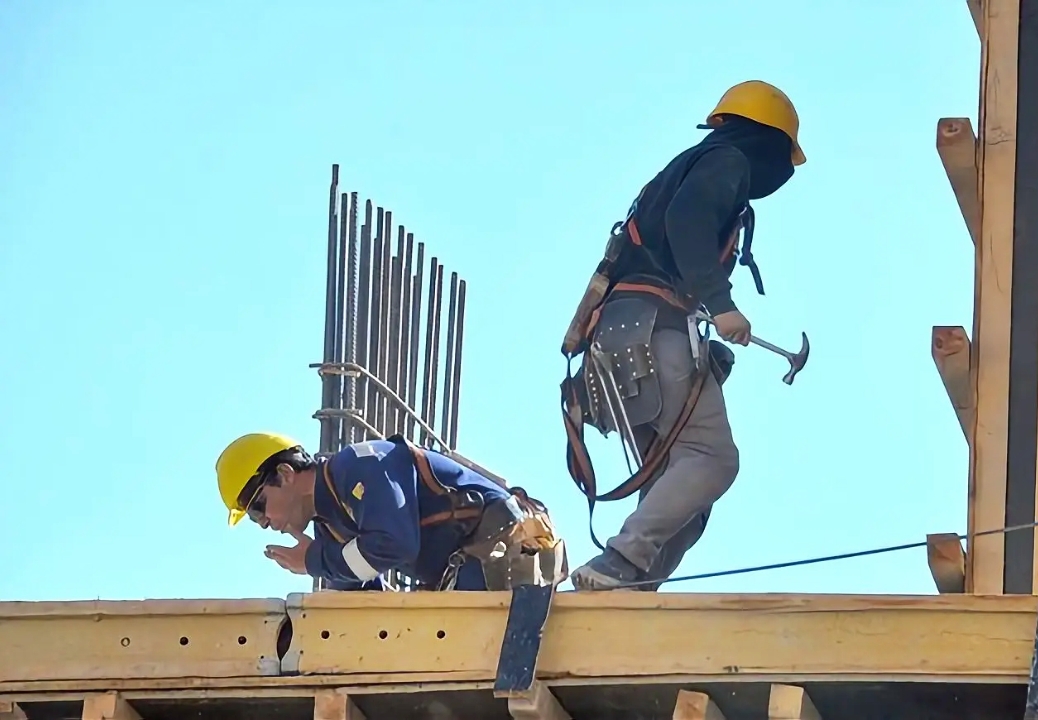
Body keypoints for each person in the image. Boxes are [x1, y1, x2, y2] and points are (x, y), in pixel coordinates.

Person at [561, 80, 805, 591]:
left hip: (617, 343)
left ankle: (625, 590)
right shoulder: (726, 161)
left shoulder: (687, 166)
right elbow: (688, 222)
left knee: (684, 494)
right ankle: (621, 562)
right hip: (652, 332)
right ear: (768, 139)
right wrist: (722, 304)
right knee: (713, 459)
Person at [215, 431, 566, 591]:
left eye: (257, 507)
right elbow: (360, 601)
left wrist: (314, 561)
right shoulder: (330, 527)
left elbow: (394, 545)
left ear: (285, 474)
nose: (263, 523)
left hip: (503, 560)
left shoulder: (359, 465)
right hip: (467, 578)